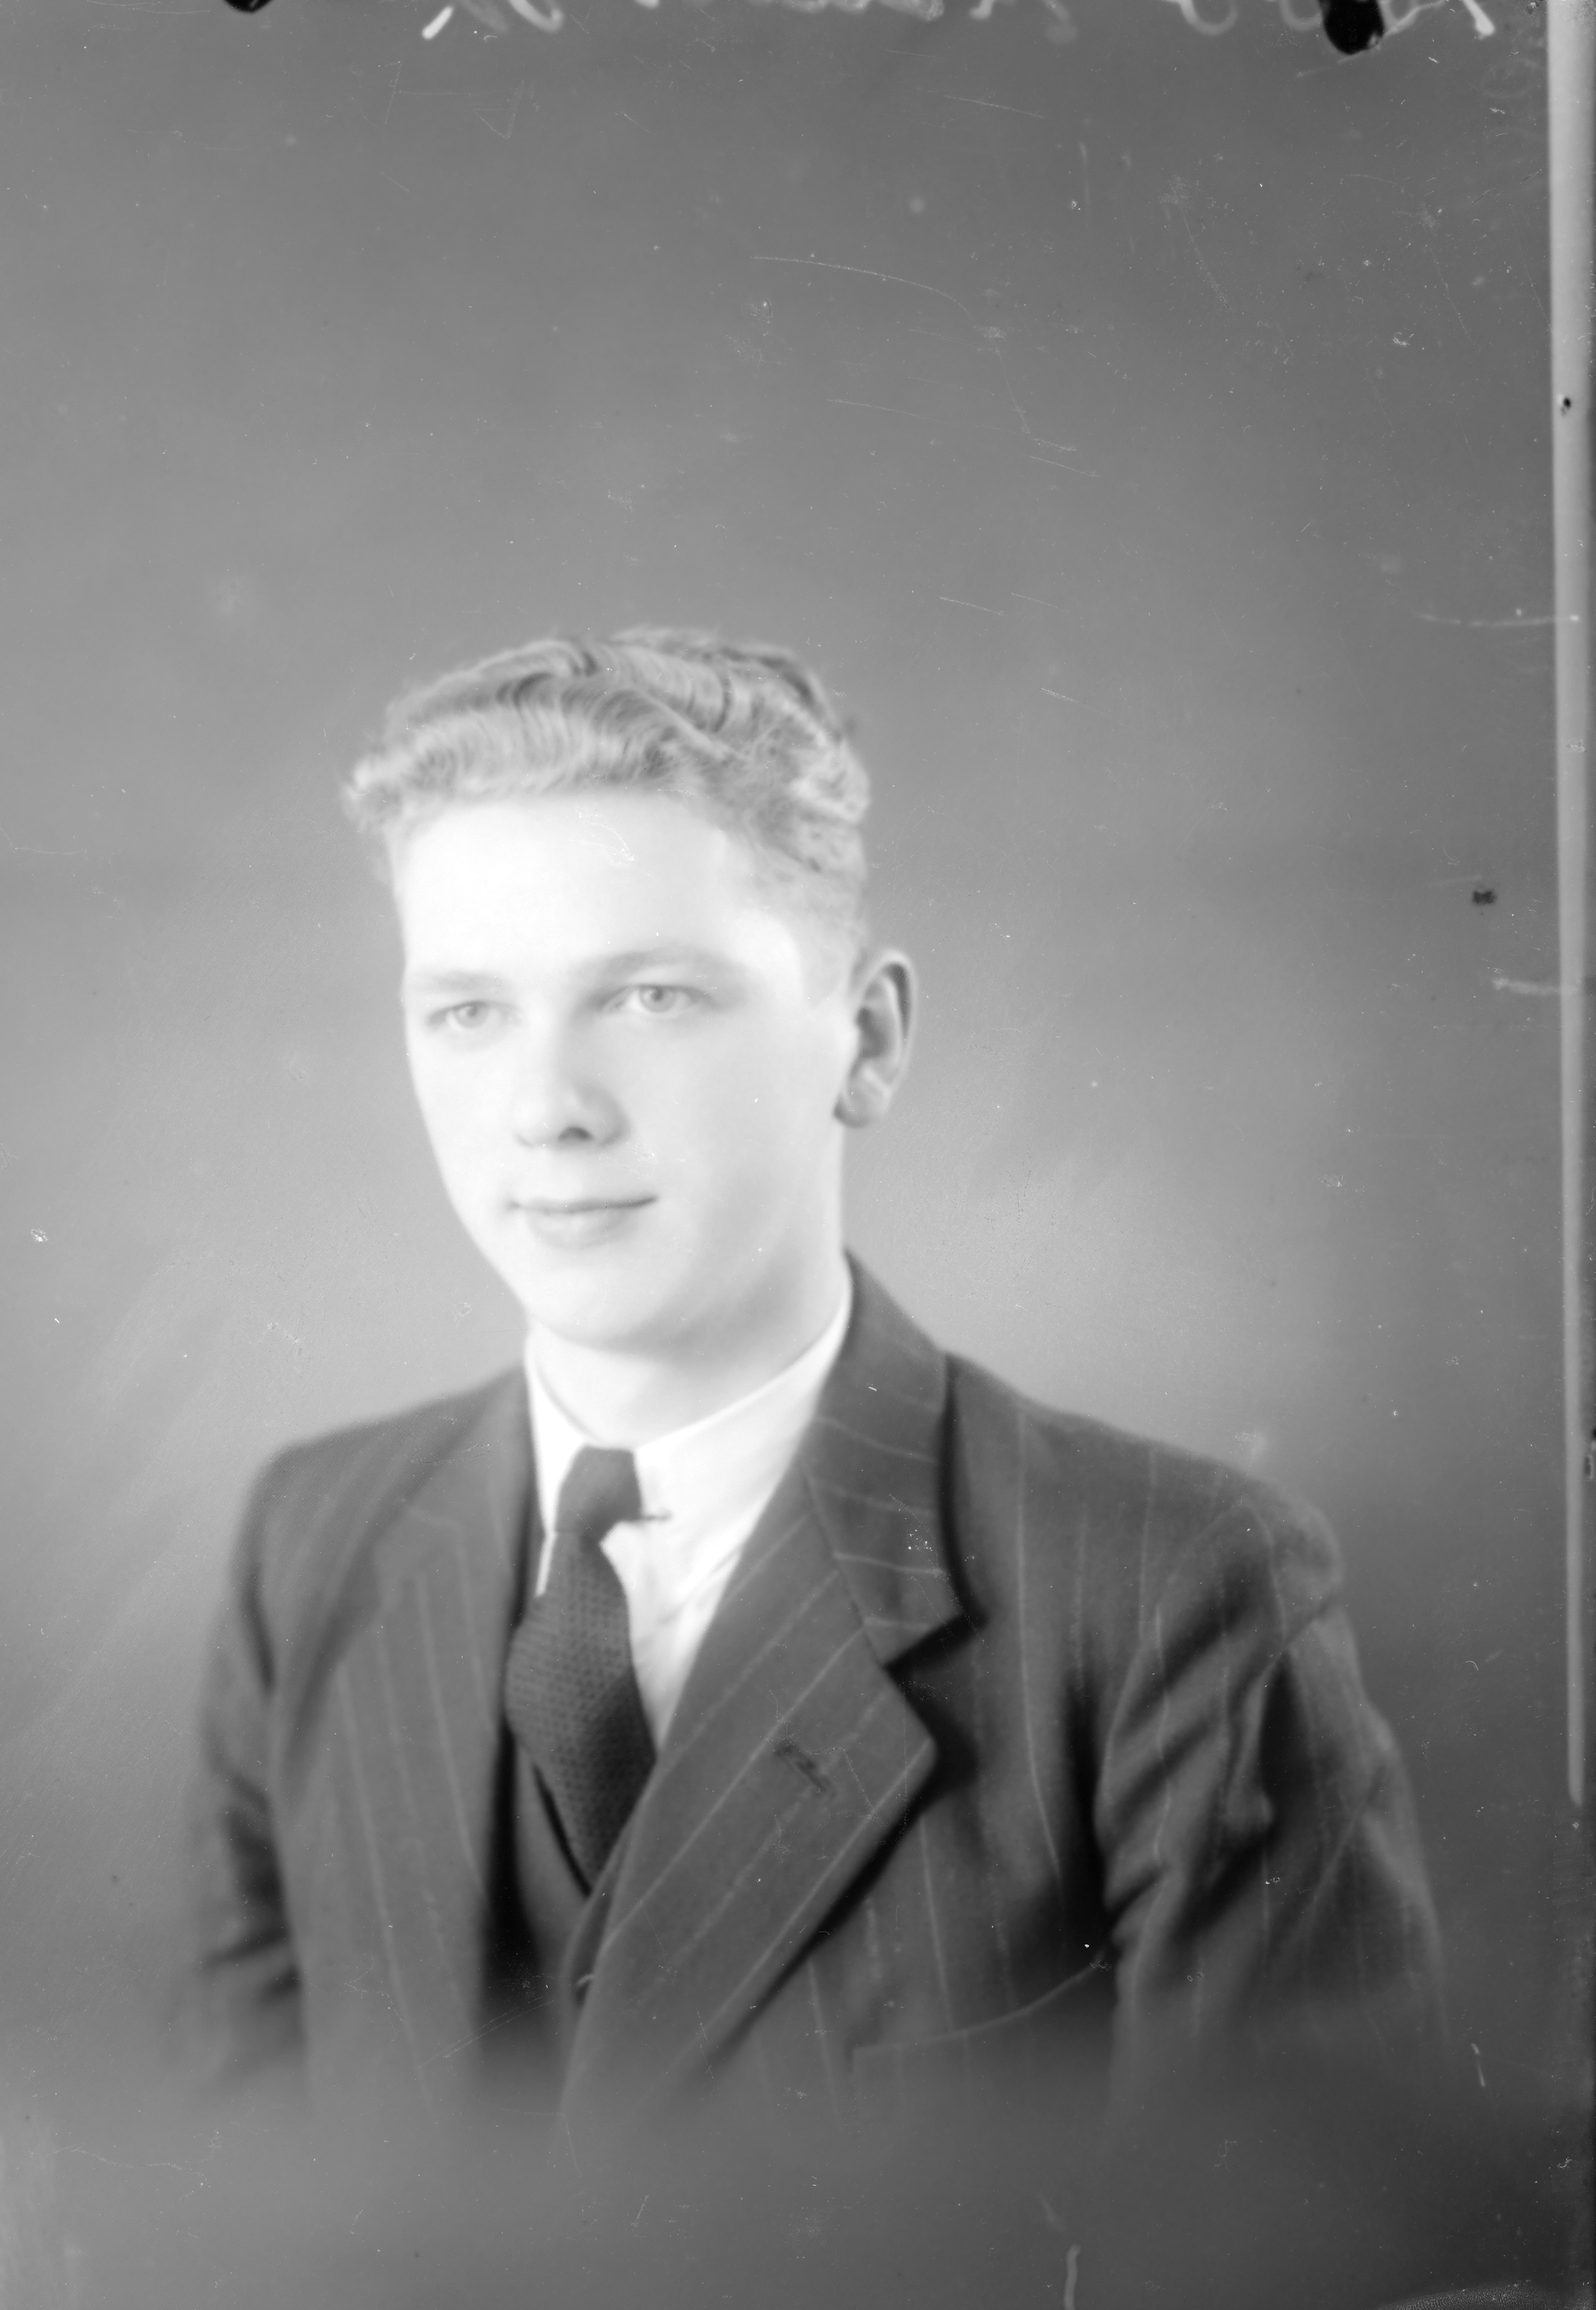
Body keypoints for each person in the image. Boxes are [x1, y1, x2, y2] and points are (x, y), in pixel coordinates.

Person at [182, 628, 1442, 2137]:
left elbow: (1292, 2258)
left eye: (652, 996)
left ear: (870, 1038)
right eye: (469, 1011)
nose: (546, 1108)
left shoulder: (1172, 1587)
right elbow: (252, 2215)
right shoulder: (310, 1541)